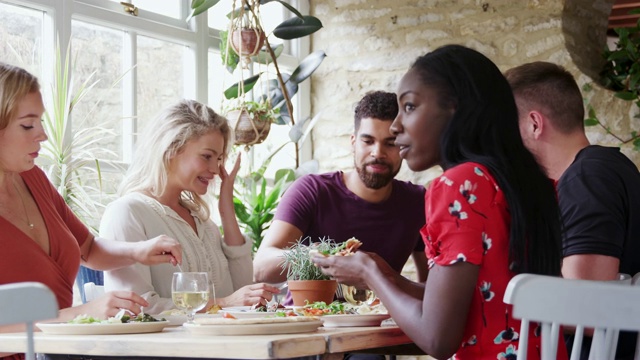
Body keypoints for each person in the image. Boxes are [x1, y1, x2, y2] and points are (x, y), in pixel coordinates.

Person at [311, 45, 565, 360]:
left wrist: (368, 274)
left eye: (410, 107)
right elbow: (479, 300)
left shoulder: (459, 185)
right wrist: (388, 276)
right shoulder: (521, 183)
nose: (395, 126)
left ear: (455, 108)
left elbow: (437, 339)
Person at [0, 64, 182, 357]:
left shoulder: (33, 178)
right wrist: (76, 314)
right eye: (27, 125)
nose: (43, 135)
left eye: (41, 122)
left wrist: (138, 251)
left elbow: (89, 248)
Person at [505, 61, 640, 359]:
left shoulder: (588, 177)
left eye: (505, 129)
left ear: (534, 124)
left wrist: (496, 299)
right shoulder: (601, 170)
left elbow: (586, 312)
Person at [100, 99, 279, 315]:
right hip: (169, 349)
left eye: (220, 158)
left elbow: (242, 292)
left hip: (222, 345)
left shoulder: (204, 223)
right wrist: (223, 303)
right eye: (207, 156)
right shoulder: (127, 213)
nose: (215, 168)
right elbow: (134, 309)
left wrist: (226, 209)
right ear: (172, 148)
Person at [253, 90, 428, 287]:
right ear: (353, 142)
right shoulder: (312, 191)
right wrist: (319, 256)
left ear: (403, 146)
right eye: (368, 141)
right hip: (309, 317)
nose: (377, 153)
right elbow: (261, 268)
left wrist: (378, 276)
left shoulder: (418, 202)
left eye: (390, 143)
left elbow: (431, 289)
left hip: (380, 318)